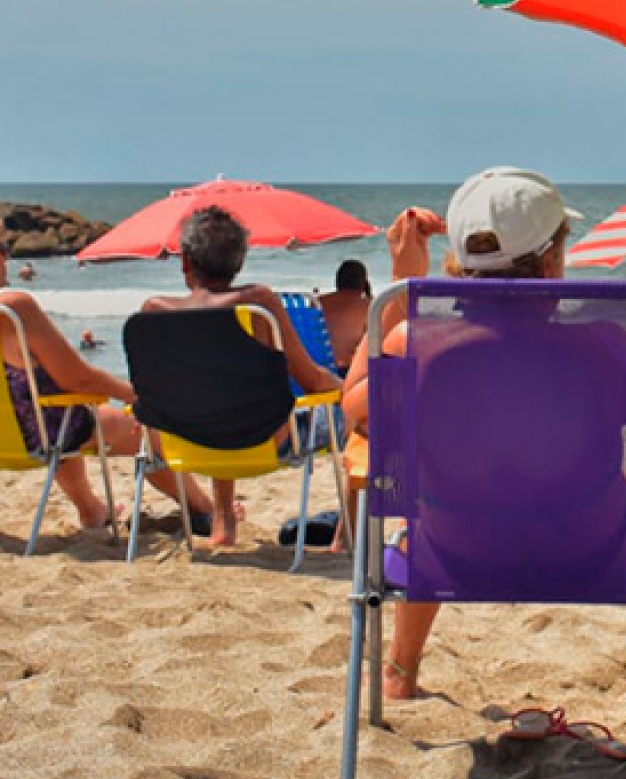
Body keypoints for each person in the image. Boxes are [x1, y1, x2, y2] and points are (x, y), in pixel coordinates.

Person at [340, 167, 626, 700]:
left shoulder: (416, 345)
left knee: (417, 529)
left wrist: (403, 288)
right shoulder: (603, 347)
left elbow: (356, 408)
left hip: (454, 555)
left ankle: (399, 673)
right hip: (592, 554)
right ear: (551, 262)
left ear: (458, 263)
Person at [140, 206, 342, 547]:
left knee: (216, 399)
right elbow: (312, 381)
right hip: (264, 442)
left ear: (185, 261)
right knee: (357, 411)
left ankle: (223, 525)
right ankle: (344, 537)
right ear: (239, 261)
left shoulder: (154, 311)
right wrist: (348, 387)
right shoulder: (256, 304)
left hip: (186, 442)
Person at [0, 246, 211, 533]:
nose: (7, 258)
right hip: (34, 434)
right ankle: (204, 509)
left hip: (15, 432)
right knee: (147, 432)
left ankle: (93, 510)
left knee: (62, 417)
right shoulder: (13, 308)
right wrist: (139, 396)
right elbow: (79, 379)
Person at [315, 260, 372, 374]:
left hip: (315, 370)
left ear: (338, 282)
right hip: (348, 374)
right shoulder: (370, 306)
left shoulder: (316, 302)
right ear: (363, 283)